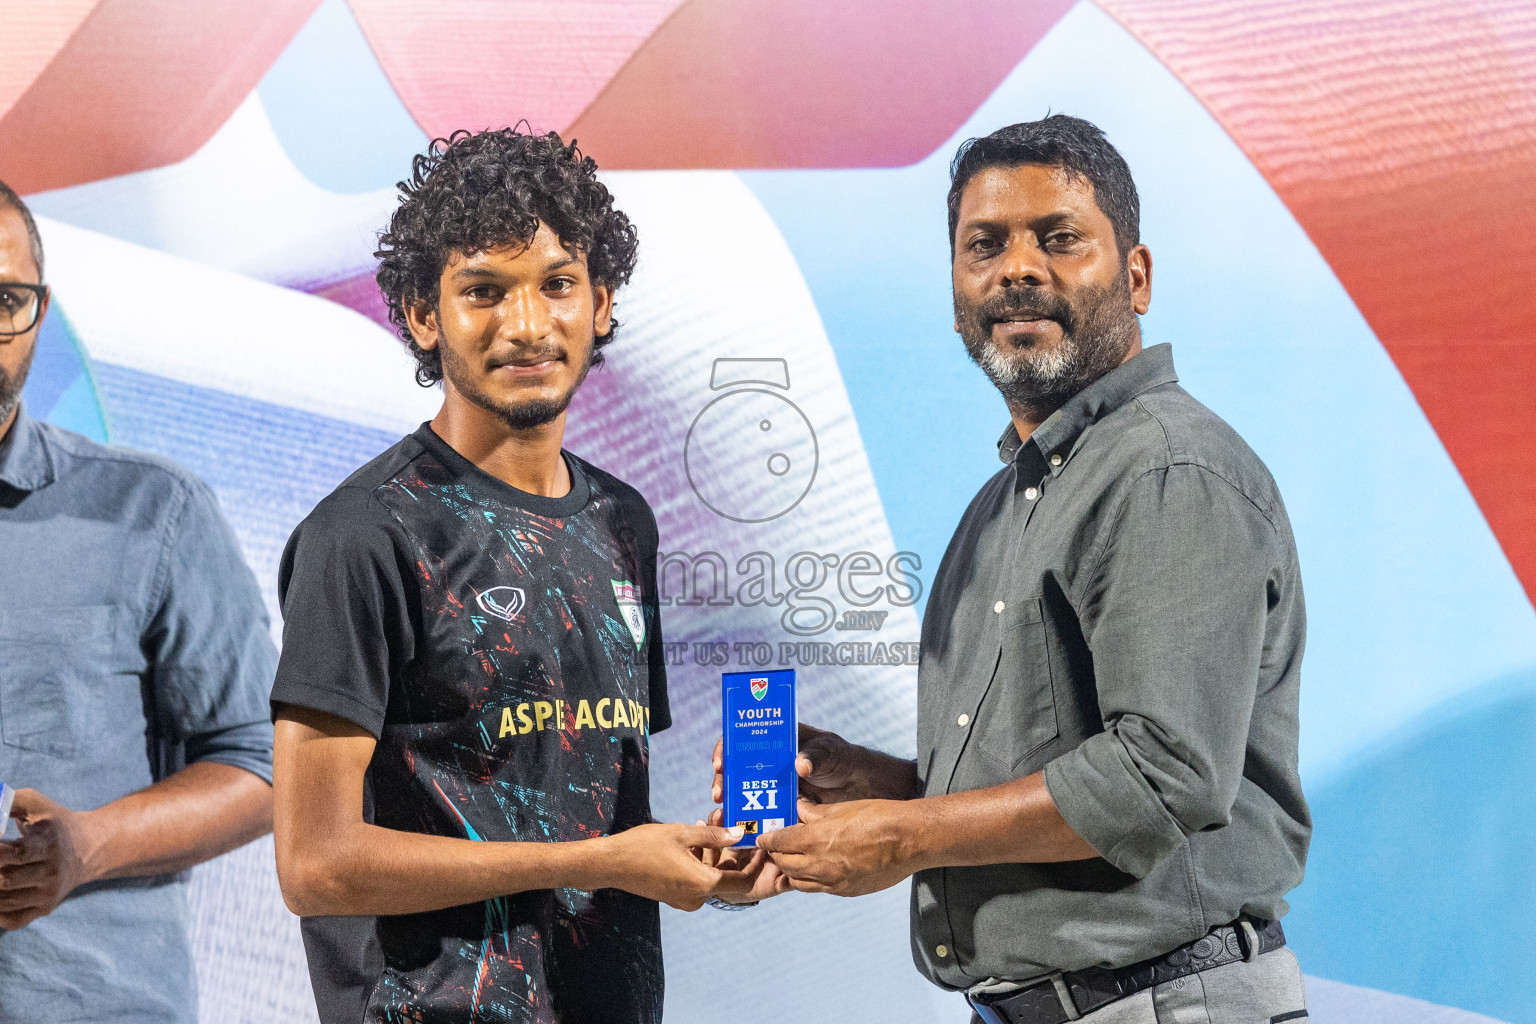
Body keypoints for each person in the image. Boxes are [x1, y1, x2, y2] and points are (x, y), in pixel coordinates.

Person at [733, 116, 1312, 1024]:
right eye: (984, 245)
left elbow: (1160, 775)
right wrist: (883, 787)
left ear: (1139, 276)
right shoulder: (1006, 503)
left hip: (1164, 1003)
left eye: (1059, 238)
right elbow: (1058, 771)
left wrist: (902, 835)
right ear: (958, 287)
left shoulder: (1164, 468)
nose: (1017, 268)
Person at [269, 128, 763, 1024]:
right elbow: (315, 865)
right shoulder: (363, 536)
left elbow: (586, 796)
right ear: (424, 315)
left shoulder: (623, 523)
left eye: (557, 285)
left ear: (602, 302)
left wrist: (705, 853)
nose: (528, 325)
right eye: (484, 292)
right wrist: (598, 862)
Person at [0, 180, 277, 1023]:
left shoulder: (150, 511)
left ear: (40, 315)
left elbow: (268, 762)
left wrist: (85, 845)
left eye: (6, 299)